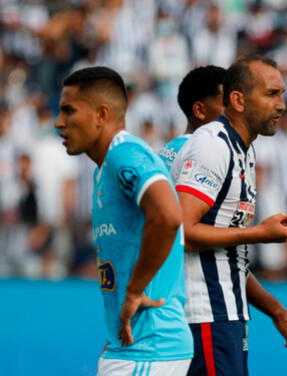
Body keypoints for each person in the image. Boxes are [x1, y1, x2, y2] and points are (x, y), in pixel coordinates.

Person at [171, 55, 287, 376]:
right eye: (271, 94)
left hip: (227, 313)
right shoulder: (212, 146)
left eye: (282, 94)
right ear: (238, 100)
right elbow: (184, 232)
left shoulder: (243, 148)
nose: (282, 105)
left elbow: (226, 251)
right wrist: (259, 234)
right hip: (204, 313)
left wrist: (275, 310)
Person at [55, 66, 193, 375]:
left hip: (149, 348)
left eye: (69, 111)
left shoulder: (125, 155)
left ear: (101, 114)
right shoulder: (103, 168)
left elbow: (169, 215)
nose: (58, 122)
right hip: (131, 348)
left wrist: (134, 291)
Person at [158, 65, 226, 171]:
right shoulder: (203, 154)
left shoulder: (169, 148)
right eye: (226, 104)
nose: (234, 111)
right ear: (199, 110)